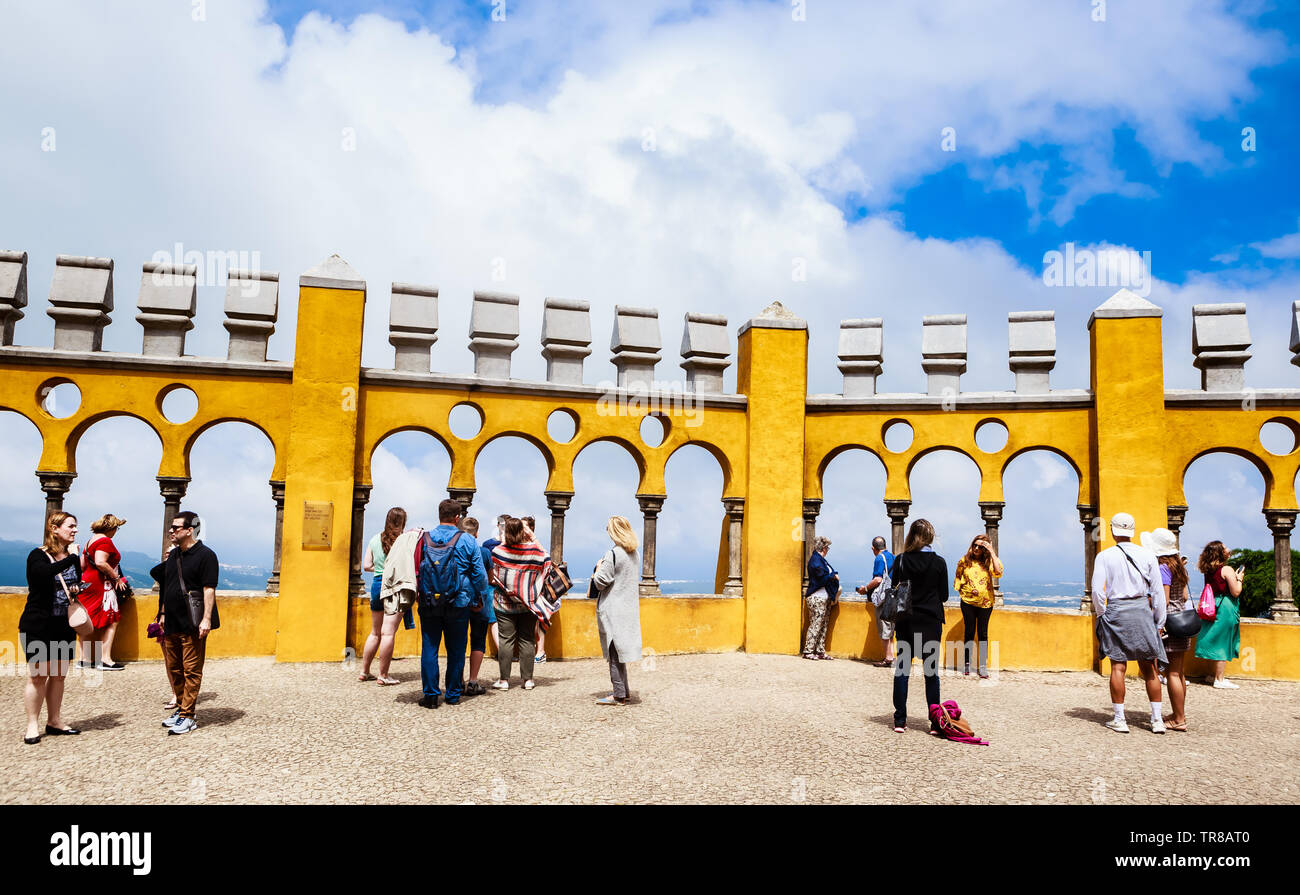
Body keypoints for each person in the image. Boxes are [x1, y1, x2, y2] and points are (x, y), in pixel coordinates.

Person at [1091, 512, 1166, 734]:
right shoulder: (1148, 555)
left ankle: (1119, 719)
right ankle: (1157, 719)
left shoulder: (1104, 556)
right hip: (1142, 610)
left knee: (1118, 665)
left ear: (1113, 530)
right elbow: (1158, 592)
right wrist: (1159, 621)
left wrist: (1102, 613)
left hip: (1116, 610)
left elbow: (1097, 590)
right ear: (1132, 531)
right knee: (1149, 667)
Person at [415, 499, 490, 708]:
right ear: (457, 518)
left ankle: (430, 695)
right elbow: (480, 576)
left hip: (429, 601)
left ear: (439, 515)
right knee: (456, 649)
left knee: (429, 648)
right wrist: (480, 599)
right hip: (459, 601)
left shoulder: (425, 539)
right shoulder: (467, 540)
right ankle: (453, 694)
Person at [150, 511, 219, 735]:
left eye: (176, 528)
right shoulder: (174, 556)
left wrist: (206, 619)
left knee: (191, 669)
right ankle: (181, 709)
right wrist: (161, 614)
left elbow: (209, 589)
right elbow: (167, 587)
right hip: (171, 620)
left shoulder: (206, 555)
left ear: (189, 530)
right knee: (175, 668)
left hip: (192, 621)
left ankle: (188, 716)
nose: (171, 531)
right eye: (171, 528)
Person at [19, 511, 84, 744]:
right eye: (70, 526)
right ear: (54, 529)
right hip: (39, 624)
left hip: (63, 625)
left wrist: (77, 588)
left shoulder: (71, 556)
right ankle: (32, 725)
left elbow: (73, 582)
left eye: (76, 526)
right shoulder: (38, 555)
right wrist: (71, 559)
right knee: (38, 676)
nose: (75, 530)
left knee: (58, 676)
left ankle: (54, 720)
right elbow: (41, 576)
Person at [888, 519, 949, 733]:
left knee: (902, 671)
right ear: (931, 537)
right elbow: (944, 595)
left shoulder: (901, 560)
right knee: (931, 673)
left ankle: (899, 720)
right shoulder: (939, 562)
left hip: (907, 621)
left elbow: (895, 587)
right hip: (931, 621)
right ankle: (934, 722)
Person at [489, 517, 552, 690]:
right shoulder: (534, 551)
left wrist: (504, 538)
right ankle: (528, 680)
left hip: (504, 603)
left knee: (506, 640)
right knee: (527, 639)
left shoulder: (498, 552)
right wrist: (532, 537)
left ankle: (504, 681)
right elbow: (547, 559)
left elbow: (493, 572)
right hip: (528, 603)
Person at [591, 515, 642, 705]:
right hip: (628, 608)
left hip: (613, 609)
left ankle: (618, 695)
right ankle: (624, 691)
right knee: (619, 653)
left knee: (614, 654)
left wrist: (597, 568)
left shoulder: (613, 554)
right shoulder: (634, 554)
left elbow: (601, 582)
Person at [1142, 528, 1189, 729]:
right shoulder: (1180, 567)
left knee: (1171, 674)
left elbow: (1165, 599)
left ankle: (1179, 720)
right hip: (1183, 620)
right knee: (1178, 673)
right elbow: (1185, 597)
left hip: (1170, 622)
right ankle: (1179, 713)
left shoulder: (1163, 569)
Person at [360, 507, 412, 685]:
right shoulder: (403, 541)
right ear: (403, 522)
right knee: (388, 633)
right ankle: (383, 675)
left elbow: (366, 565)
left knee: (375, 632)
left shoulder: (375, 538)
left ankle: (365, 671)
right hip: (395, 586)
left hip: (376, 584)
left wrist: (382, 569)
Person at [78, 513, 130, 670]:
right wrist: (116, 578)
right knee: (110, 620)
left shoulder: (89, 542)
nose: (116, 531)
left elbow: (82, 565)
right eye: (116, 528)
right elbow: (101, 562)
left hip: (86, 583)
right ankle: (105, 659)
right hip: (101, 585)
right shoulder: (105, 541)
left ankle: (84, 659)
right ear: (111, 528)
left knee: (87, 620)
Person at [1194, 540, 1244, 689]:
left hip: (1212, 605)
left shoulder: (1209, 570)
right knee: (1222, 642)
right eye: (1224, 548)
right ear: (1220, 553)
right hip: (1225, 606)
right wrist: (1240, 578)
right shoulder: (1227, 569)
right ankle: (1219, 679)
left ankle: (1211, 675)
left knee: (1212, 638)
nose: (1228, 549)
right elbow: (1235, 591)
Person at [953, 534, 1002, 678]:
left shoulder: (989, 562)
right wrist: (961, 589)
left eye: (980, 547)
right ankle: (967, 663)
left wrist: (991, 551)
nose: (976, 548)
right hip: (967, 602)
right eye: (974, 545)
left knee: (983, 634)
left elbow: (998, 572)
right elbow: (958, 576)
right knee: (969, 632)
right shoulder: (965, 560)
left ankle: (982, 666)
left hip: (985, 603)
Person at [460, 516, 495, 696]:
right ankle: (473, 681)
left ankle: (458, 681)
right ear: (477, 533)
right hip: (480, 601)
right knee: (478, 640)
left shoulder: (455, 548)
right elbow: (489, 578)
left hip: (459, 601)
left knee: (458, 641)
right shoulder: (484, 552)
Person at [856, 535, 895, 667]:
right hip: (893, 596)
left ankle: (888, 658)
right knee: (890, 628)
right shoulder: (893, 556)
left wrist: (865, 588)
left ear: (873, 548)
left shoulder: (879, 558)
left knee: (883, 627)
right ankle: (892, 655)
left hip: (883, 598)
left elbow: (878, 579)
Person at [802, 536, 839, 659]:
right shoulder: (816, 561)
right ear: (823, 548)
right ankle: (808, 651)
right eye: (827, 547)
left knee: (823, 624)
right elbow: (821, 579)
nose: (828, 549)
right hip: (817, 597)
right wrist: (833, 576)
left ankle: (819, 650)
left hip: (824, 597)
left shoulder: (821, 560)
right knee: (816, 624)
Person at [521, 515, 549, 662]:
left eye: (524, 526)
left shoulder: (535, 546)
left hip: (536, 589)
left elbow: (545, 557)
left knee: (539, 620)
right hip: (523, 590)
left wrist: (533, 537)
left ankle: (541, 651)